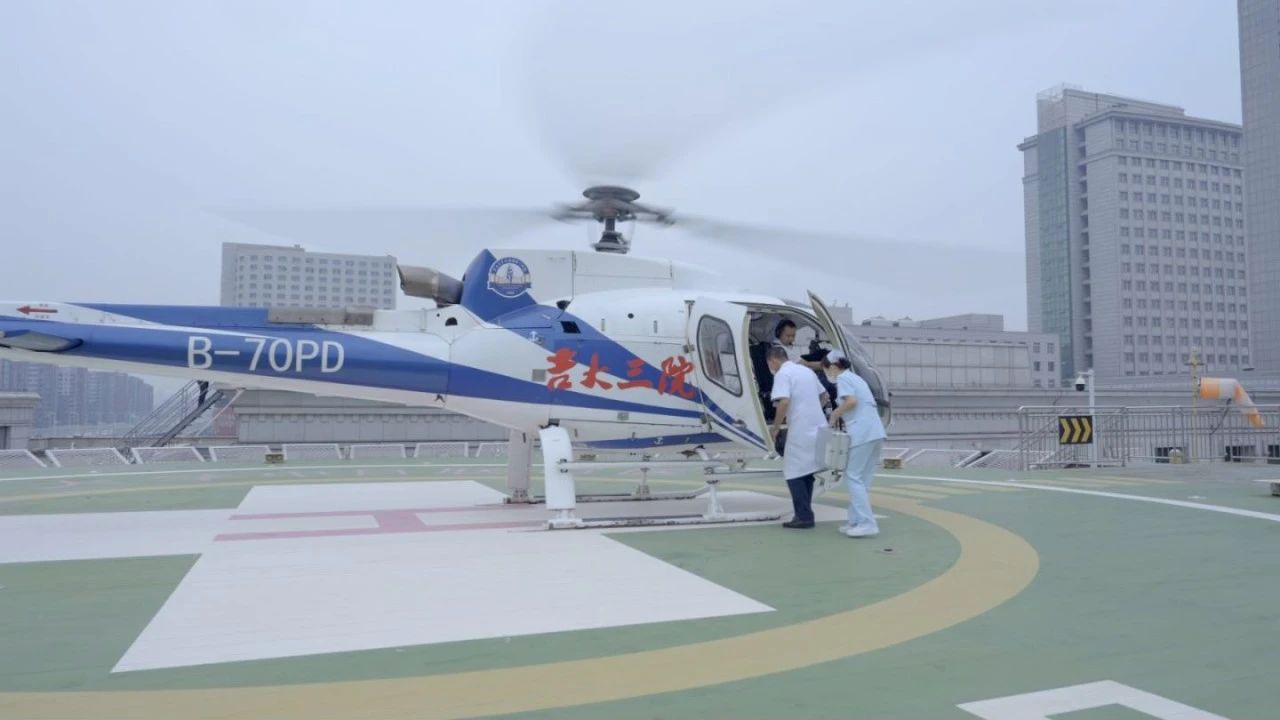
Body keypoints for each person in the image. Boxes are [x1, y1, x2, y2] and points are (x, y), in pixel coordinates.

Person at [824, 350, 887, 538]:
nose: (828, 374)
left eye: (827, 369)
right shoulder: (857, 378)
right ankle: (856, 521)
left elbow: (851, 401)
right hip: (875, 432)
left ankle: (867, 523)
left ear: (833, 367)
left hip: (861, 433)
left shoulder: (843, 378)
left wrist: (835, 414)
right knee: (862, 480)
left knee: (853, 477)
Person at [767, 345, 827, 529]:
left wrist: (776, 427)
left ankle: (803, 517)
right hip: (818, 426)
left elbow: (783, 401)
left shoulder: (782, 374)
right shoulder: (806, 371)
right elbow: (824, 396)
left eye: (770, 364)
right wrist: (811, 409)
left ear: (773, 360)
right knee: (808, 471)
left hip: (801, 428)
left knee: (793, 472)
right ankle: (806, 514)